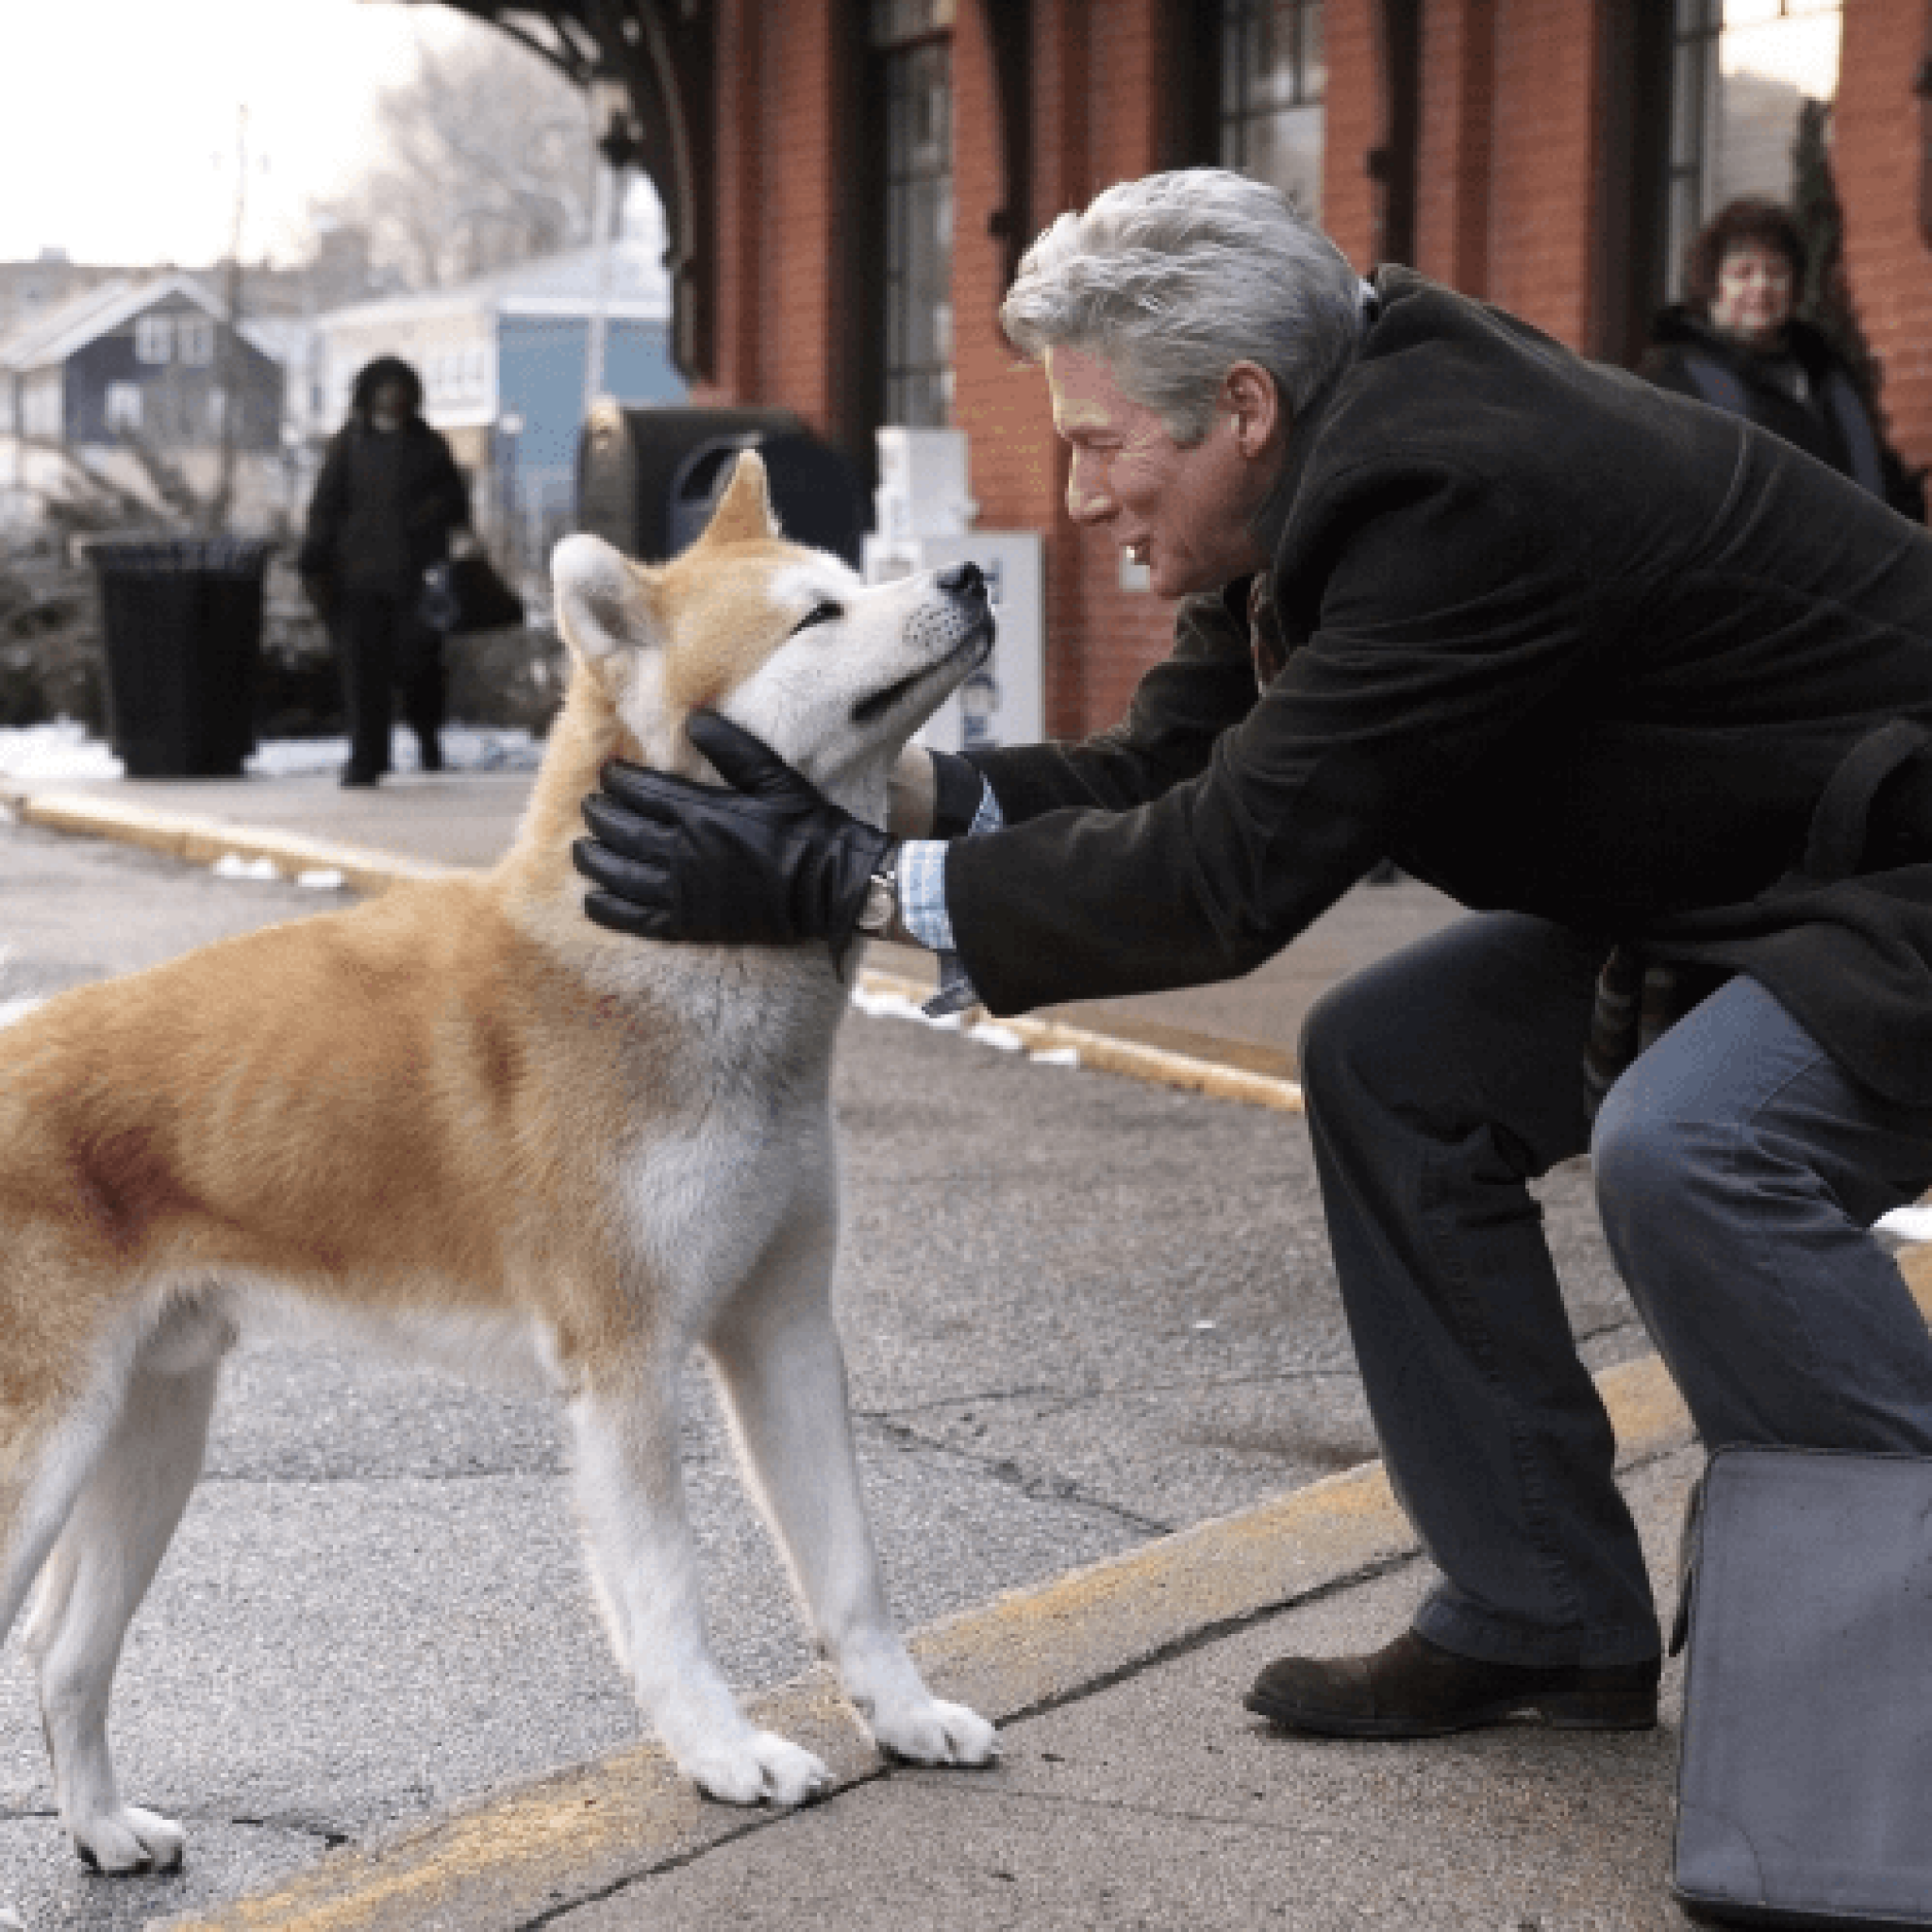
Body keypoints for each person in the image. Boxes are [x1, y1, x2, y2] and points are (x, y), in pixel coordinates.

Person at [571, 170, 1932, 1743]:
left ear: (1238, 406)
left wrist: (838, 880)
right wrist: (874, 792)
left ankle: (1880, 1661)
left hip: (1894, 881)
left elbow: (1228, 873)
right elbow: (1171, 773)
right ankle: (1540, 1605)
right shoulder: (1318, 456)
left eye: (1095, 445)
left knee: (1691, 1144)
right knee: (1388, 1066)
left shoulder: (1451, 491)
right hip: (1759, 880)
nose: (1079, 497)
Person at [1642, 195, 1925, 523]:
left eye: (1775, 272)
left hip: (1857, 564)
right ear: (1712, 286)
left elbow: (1883, 476)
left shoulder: (1828, 372)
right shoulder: (1673, 381)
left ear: (1794, 286)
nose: (1761, 287)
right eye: (1743, 273)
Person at [298, 356, 472, 787]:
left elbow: (457, 506)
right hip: (358, 582)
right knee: (362, 675)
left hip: (418, 582)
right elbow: (325, 509)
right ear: (368, 395)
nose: (392, 398)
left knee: (420, 667)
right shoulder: (347, 447)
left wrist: (432, 517)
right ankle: (366, 759)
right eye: (383, 389)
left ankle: (427, 738)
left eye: (400, 389)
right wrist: (314, 560)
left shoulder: (430, 446)